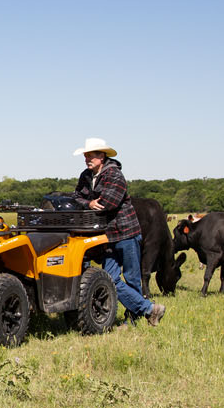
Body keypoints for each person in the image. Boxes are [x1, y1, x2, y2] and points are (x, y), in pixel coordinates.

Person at [70, 138, 167, 327]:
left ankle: (133, 319)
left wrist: (91, 203)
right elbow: (76, 197)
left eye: (90, 155)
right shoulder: (86, 175)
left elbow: (108, 203)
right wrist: (88, 203)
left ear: (101, 156)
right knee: (110, 278)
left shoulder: (115, 175)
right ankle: (150, 309)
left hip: (125, 232)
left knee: (131, 278)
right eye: (86, 156)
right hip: (106, 235)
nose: (86, 159)